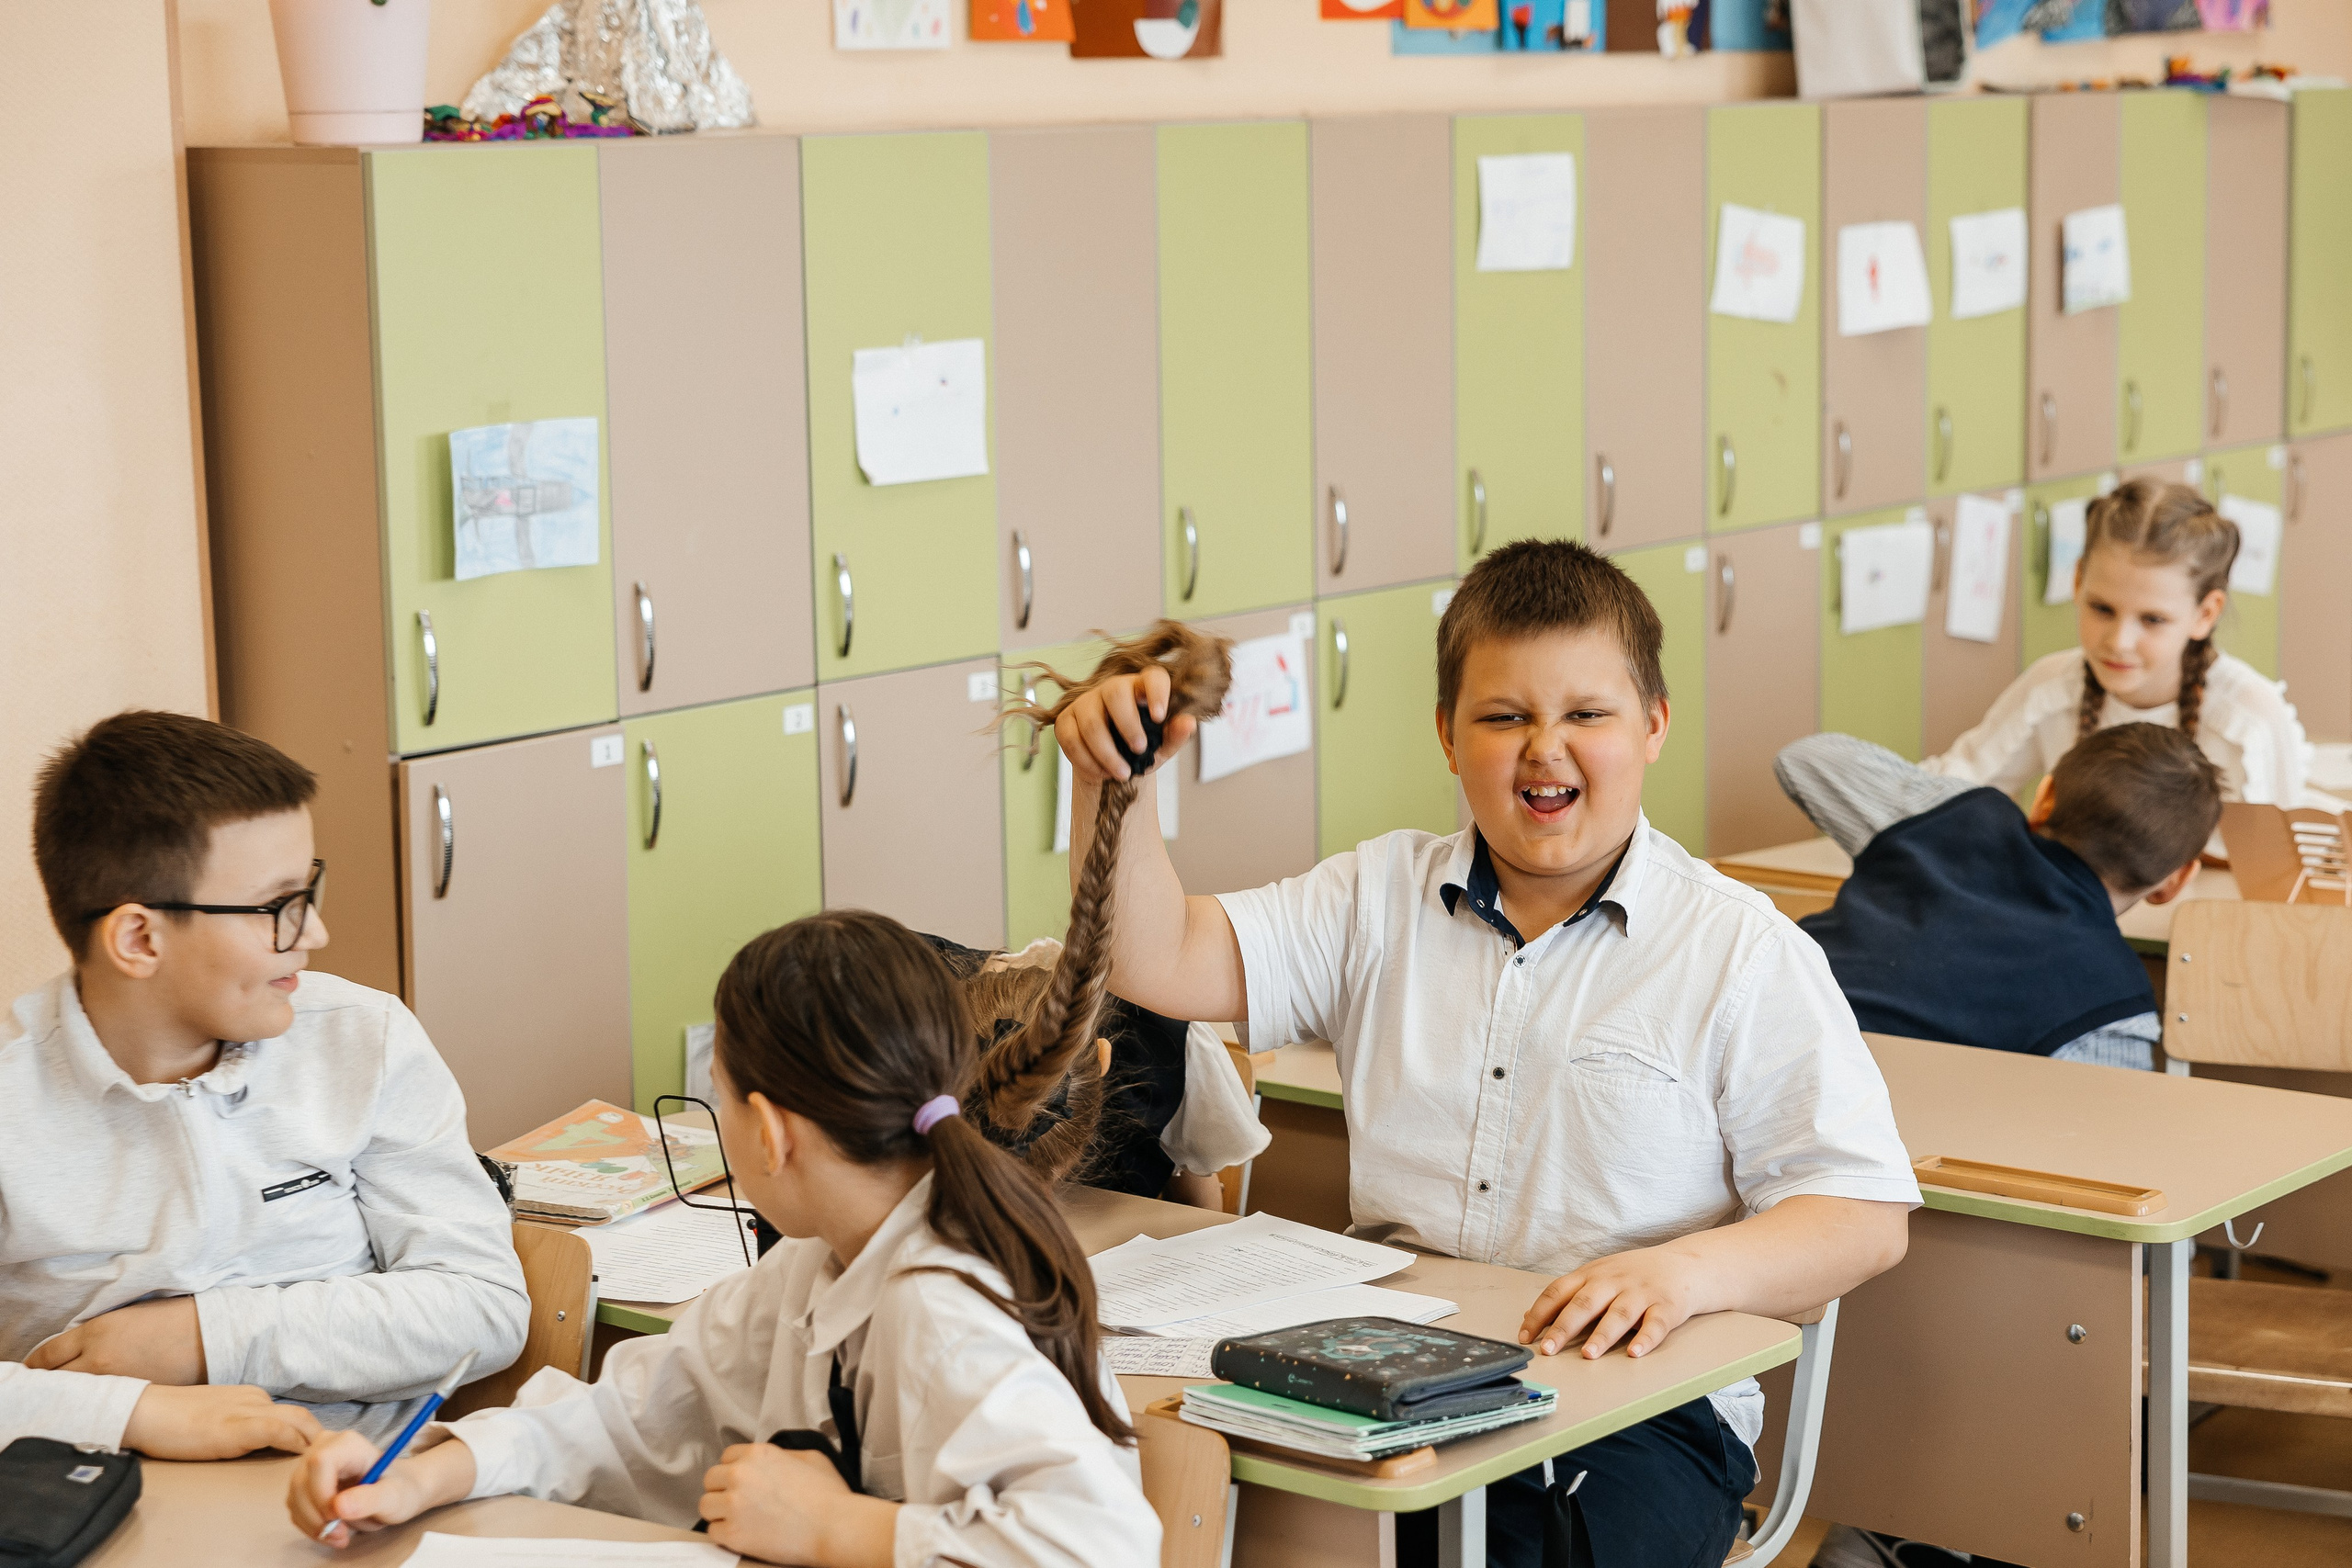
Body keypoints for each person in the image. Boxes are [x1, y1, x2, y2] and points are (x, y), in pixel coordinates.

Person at [1048, 542, 1920, 1568]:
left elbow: (1862, 1215)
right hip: (1380, 1376)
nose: (1544, 749)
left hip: (1636, 1408)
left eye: (1586, 714)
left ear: (1652, 725)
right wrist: (1113, 783)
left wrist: (1681, 1273)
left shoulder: (1743, 951)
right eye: (1504, 717)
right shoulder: (1375, 896)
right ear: (1447, 736)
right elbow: (1155, 957)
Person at [287, 911, 1160, 1566]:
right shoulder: (817, 1266)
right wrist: (428, 1471)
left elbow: (1105, 1546)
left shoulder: (947, 1304)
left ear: (768, 1133)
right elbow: (633, 1417)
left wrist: (840, 1528)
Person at [2, 711, 526, 1456]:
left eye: (307, 891)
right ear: (140, 938)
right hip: (96, 1495)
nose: (313, 934)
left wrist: (206, 1338)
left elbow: (483, 1305)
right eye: (276, 906)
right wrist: (134, 1412)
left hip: (363, 1480)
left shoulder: (363, 1037)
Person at [1777, 724, 2222, 1071]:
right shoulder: (2113, 1004)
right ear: (2176, 881)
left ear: (2044, 799)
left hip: (1760, 1043)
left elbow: (1806, 757)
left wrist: (1947, 796)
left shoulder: (1950, 818)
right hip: (1886, 1131)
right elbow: (2104, 1135)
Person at [1924, 478, 2317, 809]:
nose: (2119, 642)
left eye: (2153, 619)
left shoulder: (2248, 720)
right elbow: (1950, 790)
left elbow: (2281, 869)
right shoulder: (2052, 688)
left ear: (2205, 614)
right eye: (2102, 609)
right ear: (2078, 581)